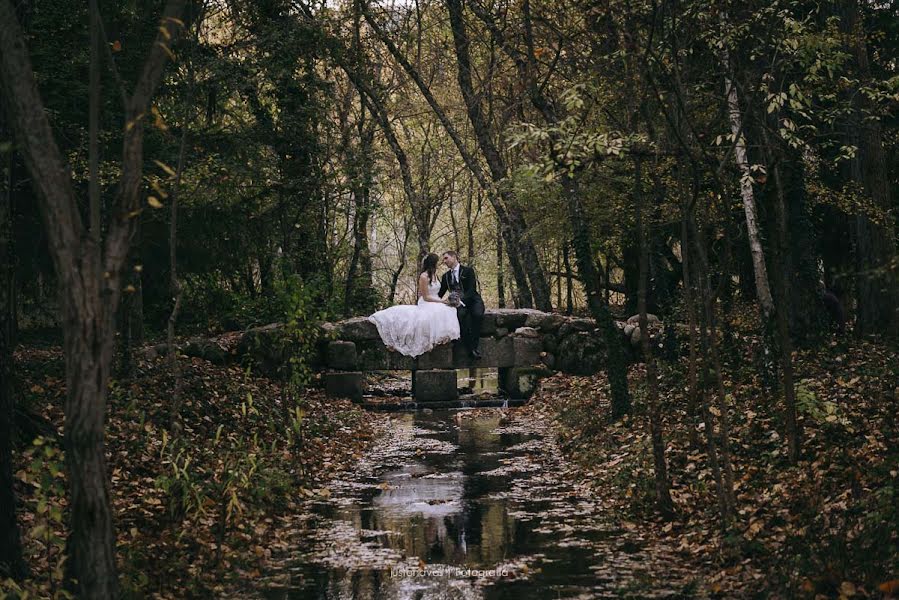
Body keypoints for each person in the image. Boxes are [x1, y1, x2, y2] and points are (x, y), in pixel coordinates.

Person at [368, 253, 460, 357]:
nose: (441, 263)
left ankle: (441, 341)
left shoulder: (435, 275)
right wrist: (442, 301)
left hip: (436, 300)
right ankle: (430, 342)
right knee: (434, 314)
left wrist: (448, 300)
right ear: (433, 263)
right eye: (438, 261)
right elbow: (426, 297)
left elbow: (438, 292)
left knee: (449, 310)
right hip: (427, 302)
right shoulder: (424, 276)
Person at [438, 250, 485, 359]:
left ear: (454, 257)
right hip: (456, 304)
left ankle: (475, 346)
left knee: (477, 315)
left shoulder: (468, 271)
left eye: (446, 258)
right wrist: (431, 301)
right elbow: (440, 293)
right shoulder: (445, 276)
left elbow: (472, 289)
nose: (444, 261)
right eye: (443, 259)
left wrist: (461, 300)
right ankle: (470, 349)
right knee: (461, 317)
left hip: (473, 300)